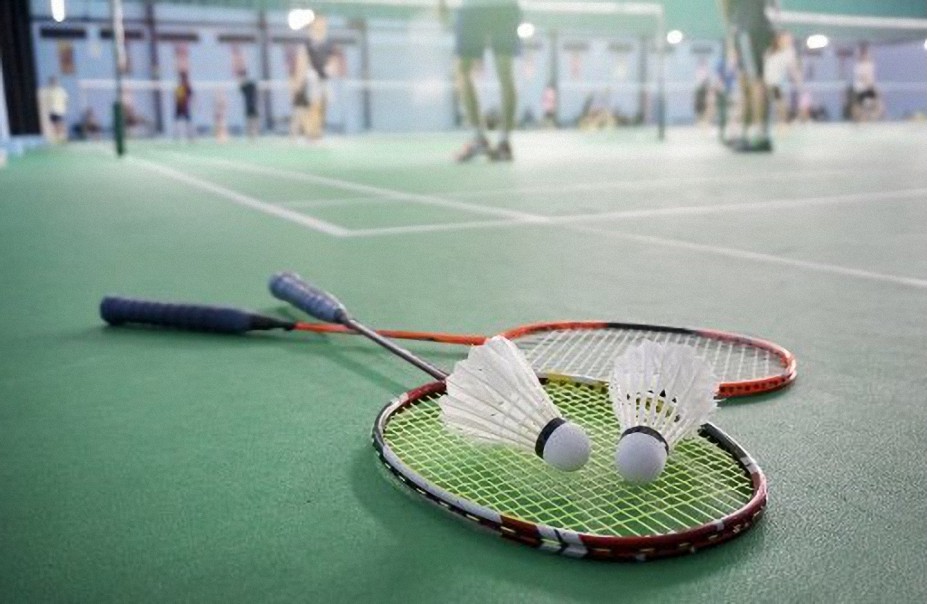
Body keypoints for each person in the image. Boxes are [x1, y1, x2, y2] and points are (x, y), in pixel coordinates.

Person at [442, 0, 521, 162]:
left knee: (498, 72)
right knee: (469, 71)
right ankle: (494, 142)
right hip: (487, 8)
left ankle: (493, 140)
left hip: (492, 8)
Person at [720, 0, 776, 152]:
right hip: (760, 27)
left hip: (747, 27)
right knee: (748, 81)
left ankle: (758, 134)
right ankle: (748, 132)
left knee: (754, 81)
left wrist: (731, 26)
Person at [305, 14, 337, 140]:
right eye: (319, 21)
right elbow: (305, 58)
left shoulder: (328, 41)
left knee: (325, 104)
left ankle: (319, 130)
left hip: (325, 77)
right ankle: (311, 132)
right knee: (314, 105)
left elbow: (332, 58)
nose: (321, 24)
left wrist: (330, 68)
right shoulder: (309, 41)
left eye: (323, 21)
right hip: (313, 77)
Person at [763, 30, 802, 128]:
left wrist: (798, 81)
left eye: (790, 39)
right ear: (780, 39)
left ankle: (783, 123)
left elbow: (793, 69)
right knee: (768, 103)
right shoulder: (770, 50)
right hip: (764, 81)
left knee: (780, 103)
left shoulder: (790, 52)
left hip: (775, 82)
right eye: (786, 38)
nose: (789, 40)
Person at [851, 43, 883, 122]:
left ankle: (874, 118)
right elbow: (862, 77)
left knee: (876, 103)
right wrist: (868, 84)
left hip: (870, 87)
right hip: (861, 88)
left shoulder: (870, 64)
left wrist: (872, 86)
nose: (865, 55)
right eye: (864, 53)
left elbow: (871, 77)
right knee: (860, 106)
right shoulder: (858, 66)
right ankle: (860, 119)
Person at [45, 76, 69, 143]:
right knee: (54, 125)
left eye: (55, 81)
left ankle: (63, 138)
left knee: (60, 124)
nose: (54, 83)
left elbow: (66, 100)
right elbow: (47, 102)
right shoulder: (49, 91)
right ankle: (56, 138)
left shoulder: (61, 91)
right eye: (52, 81)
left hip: (60, 111)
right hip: (52, 111)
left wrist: (65, 108)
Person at [174, 71, 195, 140]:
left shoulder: (187, 86)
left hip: (185, 107)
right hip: (179, 107)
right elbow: (176, 96)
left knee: (188, 121)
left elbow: (191, 95)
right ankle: (177, 136)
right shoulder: (179, 86)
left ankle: (190, 135)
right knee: (177, 121)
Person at [238, 70, 259, 138]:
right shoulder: (245, 87)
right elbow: (241, 87)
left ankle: (255, 134)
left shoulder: (251, 85)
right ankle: (250, 134)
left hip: (253, 106)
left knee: (254, 121)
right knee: (249, 121)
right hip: (248, 107)